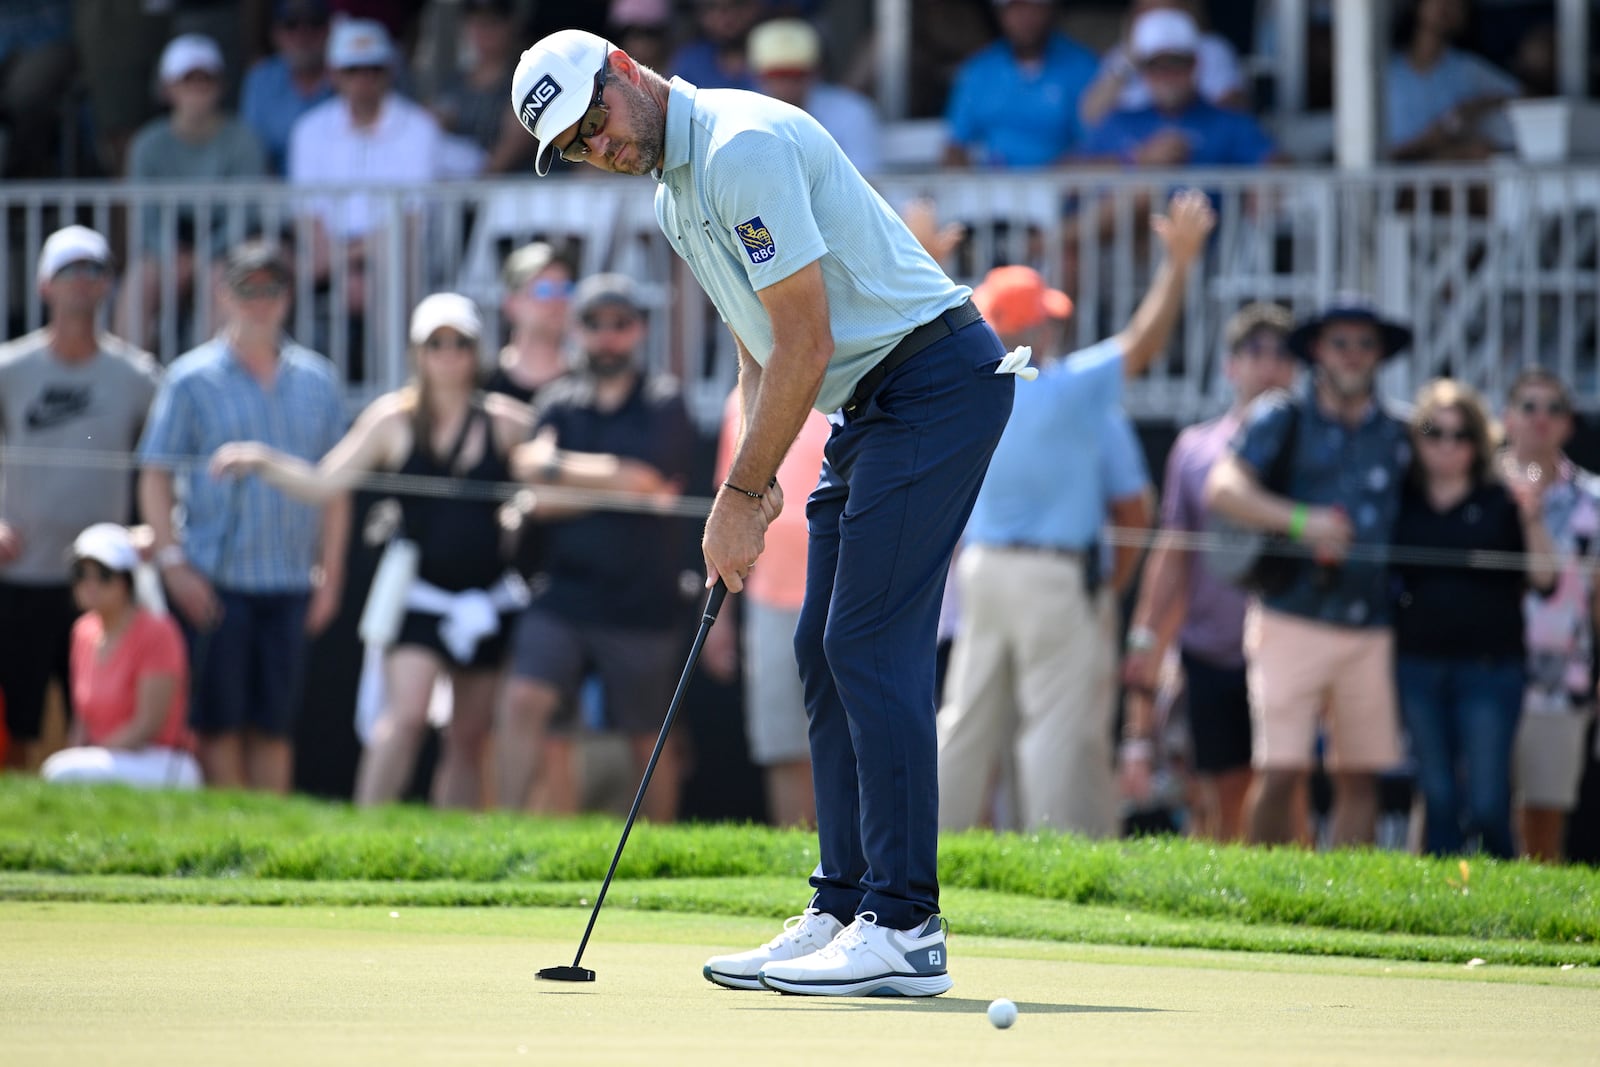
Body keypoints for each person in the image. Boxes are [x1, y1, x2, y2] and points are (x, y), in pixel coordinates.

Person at [512, 28, 1015, 998]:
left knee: (869, 643)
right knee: (823, 649)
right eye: (578, 147)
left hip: (935, 381)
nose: (601, 148)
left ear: (626, 70)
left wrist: (741, 497)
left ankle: (905, 925)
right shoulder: (673, 192)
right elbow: (759, 343)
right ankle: (841, 904)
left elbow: (806, 338)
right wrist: (753, 475)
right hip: (868, 401)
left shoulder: (739, 146)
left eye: (596, 121)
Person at [935, 194, 1213, 839]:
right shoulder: (1061, 387)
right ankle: (1059, 857)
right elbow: (1140, 345)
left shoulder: (966, 387)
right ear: (1028, 330)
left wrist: (927, 259)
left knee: (966, 720)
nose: (1055, 329)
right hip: (1051, 577)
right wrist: (1177, 266)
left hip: (982, 570)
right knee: (1054, 726)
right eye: (1045, 320)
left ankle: (925, 855)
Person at [211, 293, 533, 808]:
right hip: (421, 596)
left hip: (485, 600)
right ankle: (367, 833)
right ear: (417, 353)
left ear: (478, 352)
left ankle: (463, 852)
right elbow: (323, 482)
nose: (448, 354)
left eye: (461, 343)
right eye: (436, 343)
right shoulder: (393, 420)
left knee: (469, 738)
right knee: (405, 717)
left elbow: (549, 478)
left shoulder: (509, 422)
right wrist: (260, 460)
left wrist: (529, 505)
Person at [137, 241, 350, 793]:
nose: (259, 302)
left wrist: (331, 574)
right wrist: (173, 565)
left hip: (289, 580)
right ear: (224, 294)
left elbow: (336, 486)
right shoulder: (190, 378)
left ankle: (266, 849)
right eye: (247, 289)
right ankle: (229, 848)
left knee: (275, 727)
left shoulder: (317, 379)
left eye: (271, 289)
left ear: (288, 296)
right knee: (220, 725)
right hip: (214, 583)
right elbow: (154, 473)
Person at [1204, 298, 1414, 848]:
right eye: (1340, 343)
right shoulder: (1281, 414)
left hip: (1369, 622)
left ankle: (1343, 906)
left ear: (1381, 355)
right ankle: (1263, 899)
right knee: (1281, 770)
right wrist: (1301, 521)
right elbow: (1223, 487)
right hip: (1288, 614)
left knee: (1360, 776)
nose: (1352, 356)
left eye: (1365, 344)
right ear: (1318, 351)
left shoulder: (1400, 432)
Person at [496, 273, 694, 820]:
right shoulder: (558, 398)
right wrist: (617, 481)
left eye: (621, 324)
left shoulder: (664, 399)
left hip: (641, 600)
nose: (607, 337)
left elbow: (653, 481)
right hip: (562, 593)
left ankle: (661, 859)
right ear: (576, 329)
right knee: (523, 702)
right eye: (594, 324)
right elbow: (531, 483)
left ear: (641, 330)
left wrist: (564, 473)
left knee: (647, 740)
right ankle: (503, 838)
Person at [1121, 303, 1297, 841]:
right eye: (1254, 352)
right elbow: (1173, 556)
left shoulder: (1311, 443)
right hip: (1213, 649)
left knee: (1292, 788)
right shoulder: (1195, 448)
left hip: (1292, 643)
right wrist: (1147, 645)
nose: (1268, 366)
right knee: (1223, 794)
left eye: (1281, 354)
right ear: (1230, 366)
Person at [0, 226, 162, 772]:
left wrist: (156, 531)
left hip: (104, 586)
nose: (82, 283)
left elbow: (168, 464)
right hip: (23, 572)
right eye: (70, 270)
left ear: (108, 286)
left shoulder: (137, 376)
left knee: (96, 725)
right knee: (18, 723)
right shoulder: (9, 370)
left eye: (95, 271)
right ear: (45, 284)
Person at [1391, 378, 1555, 860]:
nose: (1446, 445)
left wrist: (1531, 515)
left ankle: (1504, 905)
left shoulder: (1503, 499)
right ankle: (1445, 908)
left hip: (1490, 668)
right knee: (1437, 796)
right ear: (1417, 438)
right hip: (1418, 666)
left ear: (1477, 441)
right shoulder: (1403, 500)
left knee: (1486, 802)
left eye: (1459, 435)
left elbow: (1545, 580)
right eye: (1433, 432)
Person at [703, 388, 831, 828]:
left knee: (850, 749)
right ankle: (795, 867)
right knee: (782, 747)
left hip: (846, 600)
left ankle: (850, 869)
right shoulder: (742, 398)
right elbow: (729, 515)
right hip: (769, 602)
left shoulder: (855, 384)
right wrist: (718, 619)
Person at [1499, 368, 1600, 862]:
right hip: (1471, 670)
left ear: (1569, 425)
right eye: (1528, 406)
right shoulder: (1472, 487)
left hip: (1561, 679)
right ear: (1506, 418)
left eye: (1553, 408)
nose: (1540, 419)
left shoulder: (1595, 501)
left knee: (1543, 818)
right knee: (1461, 807)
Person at [118, 33, 269, 354]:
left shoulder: (244, 139)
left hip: (226, 246)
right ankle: (132, 381)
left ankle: (206, 386)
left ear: (221, 86)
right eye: (188, 79)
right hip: (166, 248)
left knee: (223, 280)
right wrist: (171, 254)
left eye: (206, 79)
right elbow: (145, 218)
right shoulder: (147, 144)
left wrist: (204, 256)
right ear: (167, 88)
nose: (197, 88)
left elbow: (244, 213)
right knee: (140, 280)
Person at [39, 523, 202, 790]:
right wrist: (80, 754)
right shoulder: (83, 631)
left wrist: (91, 757)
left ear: (127, 581)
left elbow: (148, 725)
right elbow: (82, 720)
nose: (90, 585)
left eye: (103, 575)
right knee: (62, 768)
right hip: (107, 759)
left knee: (60, 772)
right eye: (81, 574)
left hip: (160, 762)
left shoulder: (158, 631)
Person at [1078, 9, 1276, 172]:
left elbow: (1278, 163)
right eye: (1156, 66)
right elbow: (1067, 172)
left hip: (1204, 220)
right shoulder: (1119, 122)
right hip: (1131, 219)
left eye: (1176, 64)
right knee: (1141, 197)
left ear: (1195, 65)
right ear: (1143, 71)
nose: (1167, 76)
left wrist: (1264, 190)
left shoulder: (1229, 123)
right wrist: (1136, 159)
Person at [942, 0, 1099, 169]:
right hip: (993, 187)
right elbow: (955, 144)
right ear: (1000, 14)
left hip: (1064, 188)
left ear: (1052, 10)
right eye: (1015, 7)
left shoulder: (1083, 66)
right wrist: (964, 183)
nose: (1025, 17)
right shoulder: (979, 71)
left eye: (1034, 7)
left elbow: (1099, 143)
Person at [1386, 0, 1521, 163]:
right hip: (1393, 178)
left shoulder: (1468, 68)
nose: (1447, 5)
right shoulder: (1385, 71)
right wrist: (1432, 138)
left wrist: (1473, 107)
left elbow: (1527, 97)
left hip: (1451, 178)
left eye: (1459, 4)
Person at [1078, 0, 1248, 129]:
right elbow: (1091, 119)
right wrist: (1128, 62)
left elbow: (1233, 115)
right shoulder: (1122, 55)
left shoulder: (1212, 48)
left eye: (1166, 7)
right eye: (1148, 10)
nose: (1158, 16)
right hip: (1133, 153)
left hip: (1197, 151)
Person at [747, 18, 880, 176]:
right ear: (757, 76)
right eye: (778, 75)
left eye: (798, 75)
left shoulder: (853, 111)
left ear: (817, 73)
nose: (788, 84)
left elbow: (865, 180)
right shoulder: (738, 115)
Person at [240, 0, 335, 176]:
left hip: (336, 194)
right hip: (275, 196)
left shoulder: (351, 75)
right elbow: (252, 150)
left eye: (314, 23)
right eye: (290, 25)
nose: (302, 35)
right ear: (275, 34)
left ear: (329, 29)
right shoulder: (262, 79)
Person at [483, 241, 575, 405]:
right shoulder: (483, 387)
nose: (557, 301)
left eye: (565, 289)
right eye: (544, 291)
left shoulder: (587, 388)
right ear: (511, 303)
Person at [668, 0, 763, 92]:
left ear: (753, 7)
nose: (727, 16)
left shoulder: (772, 51)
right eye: (713, 6)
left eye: (736, 4)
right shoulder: (690, 62)